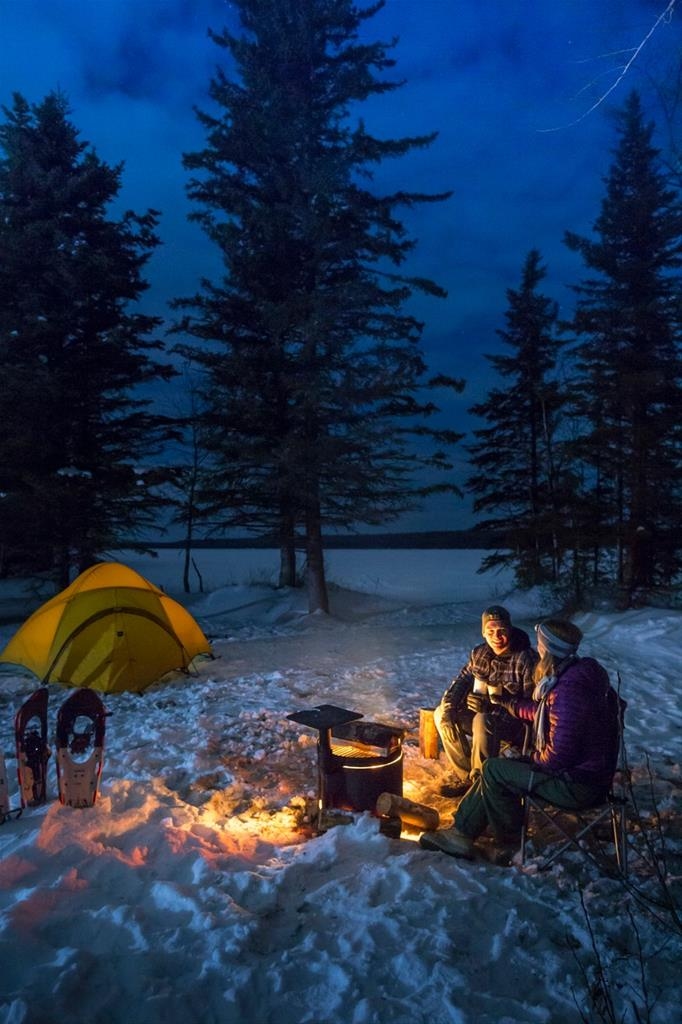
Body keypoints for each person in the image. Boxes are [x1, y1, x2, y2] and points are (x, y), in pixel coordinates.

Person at [420, 618, 623, 860]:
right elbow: (546, 711)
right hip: (589, 776)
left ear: (549, 649)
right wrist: (510, 704)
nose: (538, 648)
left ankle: (509, 844)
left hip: (577, 786)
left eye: (540, 644)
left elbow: (557, 757)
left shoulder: (568, 691)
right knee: (496, 768)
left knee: (495, 770)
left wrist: (528, 758)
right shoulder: (576, 676)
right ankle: (462, 832)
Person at [433, 605, 537, 796]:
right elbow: (461, 682)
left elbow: (532, 706)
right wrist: (450, 709)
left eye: (502, 630)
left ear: (510, 630)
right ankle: (467, 776)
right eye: (490, 631)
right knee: (442, 713)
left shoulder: (525, 658)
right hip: (482, 715)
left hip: (515, 725)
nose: (496, 636)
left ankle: (482, 784)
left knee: (482, 720)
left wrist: (493, 705)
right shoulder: (480, 654)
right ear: (483, 632)